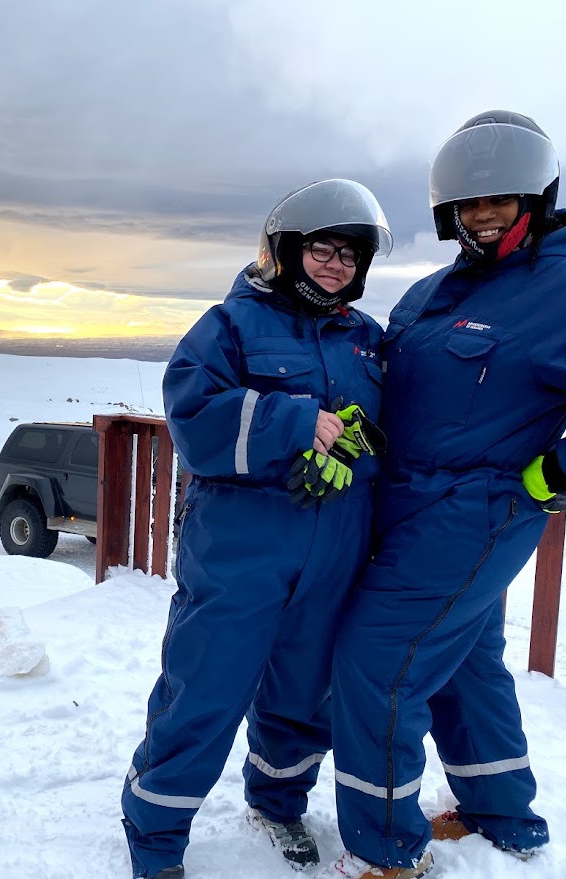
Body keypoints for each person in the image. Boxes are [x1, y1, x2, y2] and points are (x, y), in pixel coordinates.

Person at [321, 111, 566, 879]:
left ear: (538, 201)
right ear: (446, 214)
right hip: (402, 502)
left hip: (473, 512)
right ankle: (501, 815)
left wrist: (561, 470)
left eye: (500, 200)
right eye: (468, 205)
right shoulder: (431, 292)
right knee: (462, 663)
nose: (482, 216)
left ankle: (385, 853)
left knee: (376, 664)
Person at [120, 179, 393, 879]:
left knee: (303, 695)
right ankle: (153, 833)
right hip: (241, 547)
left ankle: (276, 801)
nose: (336, 265)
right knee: (204, 688)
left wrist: (363, 446)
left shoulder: (366, 341)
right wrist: (294, 422)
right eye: (323, 249)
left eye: (350, 256)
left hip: (334, 547)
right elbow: (191, 412)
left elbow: (396, 431)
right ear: (284, 250)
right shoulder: (231, 324)